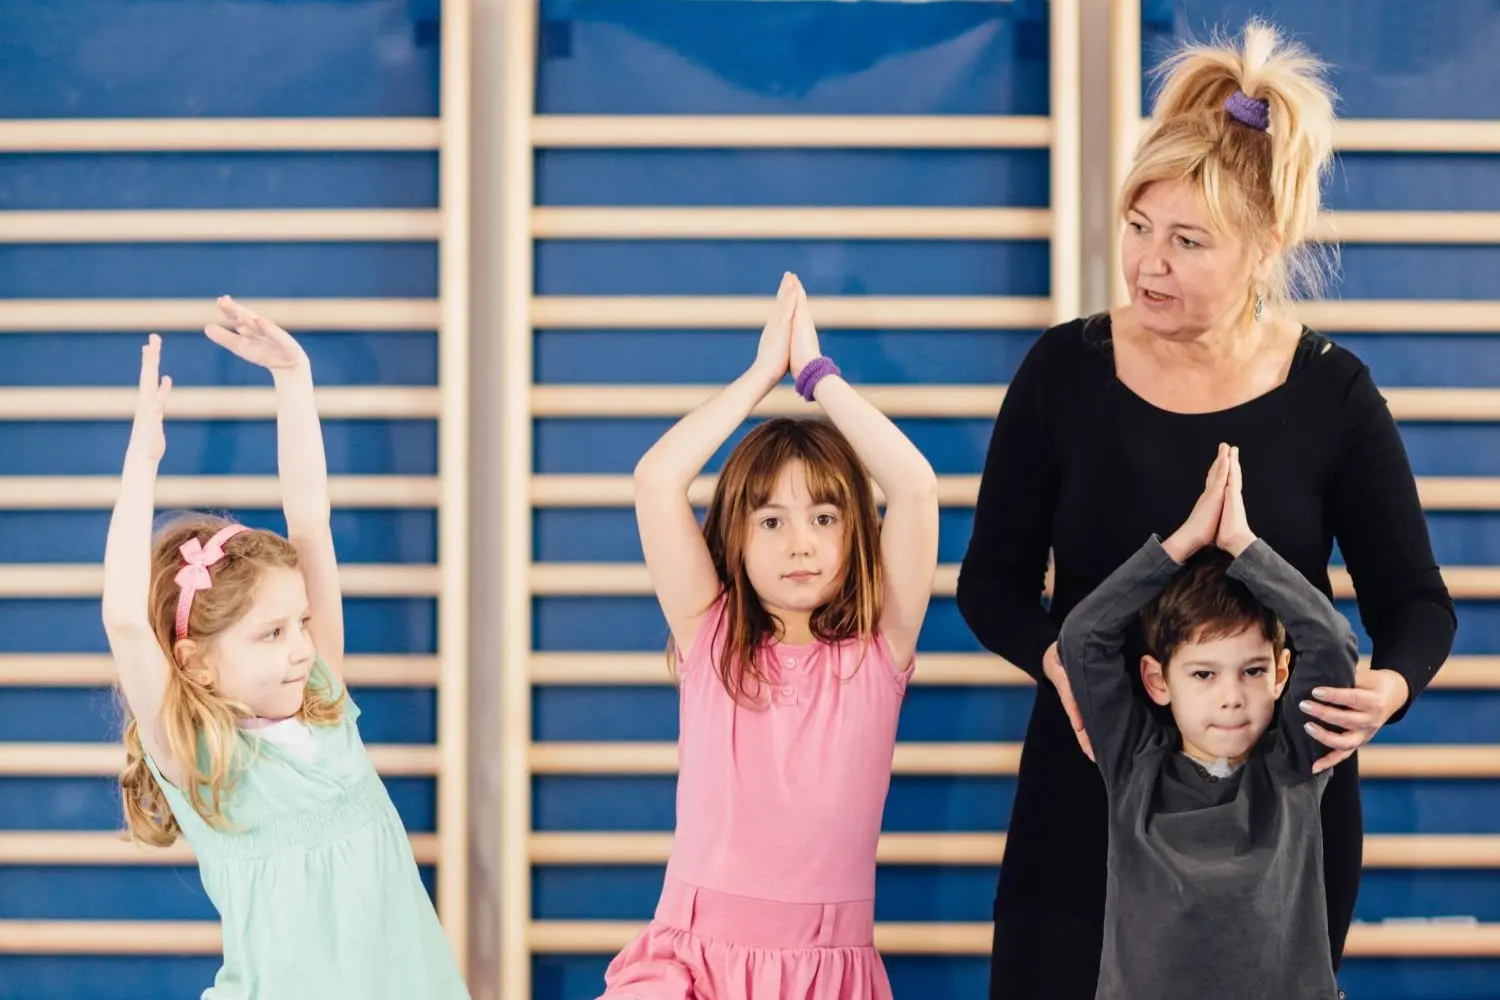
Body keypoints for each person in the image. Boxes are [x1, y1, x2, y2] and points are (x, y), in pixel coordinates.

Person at [956, 21, 1456, 999]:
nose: (1149, 264)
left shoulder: (1332, 392)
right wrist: (1063, 659)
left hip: (1271, 828)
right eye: (1139, 228)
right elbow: (992, 584)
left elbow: (1417, 603)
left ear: (1264, 246)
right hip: (1086, 794)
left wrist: (1388, 687)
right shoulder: (1064, 371)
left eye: (1189, 242)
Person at [104, 301, 470, 999]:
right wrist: (142, 463)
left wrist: (294, 382)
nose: (302, 648)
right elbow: (124, 617)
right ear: (194, 662)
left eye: (300, 623)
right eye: (272, 634)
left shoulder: (324, 697)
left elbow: (311, 519)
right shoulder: (197, 758)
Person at [598, 273, 940, 999]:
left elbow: (914, 486)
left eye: (824, 518)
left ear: (855, 536)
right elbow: (656, 480)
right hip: (690, 964)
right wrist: (760, 376)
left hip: (825, 971)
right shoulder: (711, 634)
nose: (800, 545)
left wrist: (817, 378)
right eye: (771, 521)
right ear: (737, 537)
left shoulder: (879, 653)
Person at [1059, 443, 1357, 999]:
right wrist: (1182, 544)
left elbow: (1334, 643)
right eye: (1203, 674)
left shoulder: (1296, 763)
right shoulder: (1132, 764)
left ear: (1280, 673)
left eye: (1251, 670)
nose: (1231, 697)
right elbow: (1082, 639)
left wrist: (1243, 546)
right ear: (1156, 681)